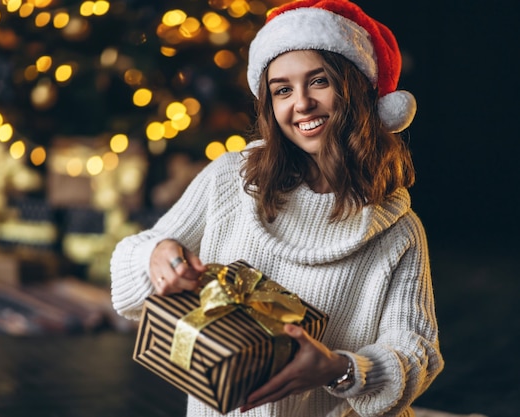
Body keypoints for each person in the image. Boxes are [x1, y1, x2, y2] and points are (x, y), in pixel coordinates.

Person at [110, 0, 444, 416]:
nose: (301, 103)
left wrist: (339, 370)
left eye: (318, 82)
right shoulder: (232, 177)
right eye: (282, 89)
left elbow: (417, 353)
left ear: (354, 89)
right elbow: (133, 255)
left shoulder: (398, 230)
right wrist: (156, 255)